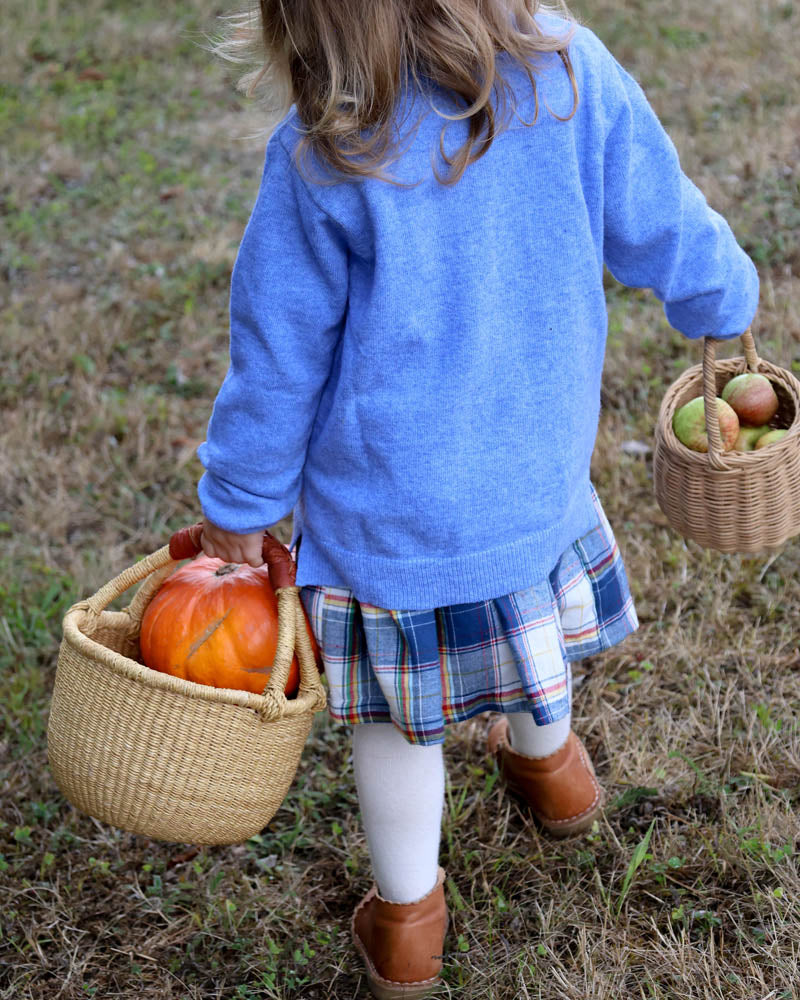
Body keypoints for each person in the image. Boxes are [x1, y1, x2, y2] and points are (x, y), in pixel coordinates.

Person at [195, 1, 759, 996]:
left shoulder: (327, 147)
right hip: (529, 479)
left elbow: (275, 359)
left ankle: (408, 921)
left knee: (396, 729)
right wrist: (719, 296)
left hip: (389, 523)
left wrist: (239, 503)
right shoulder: (564, 67)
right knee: (527, 628)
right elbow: (656, 212)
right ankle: (552, 771)